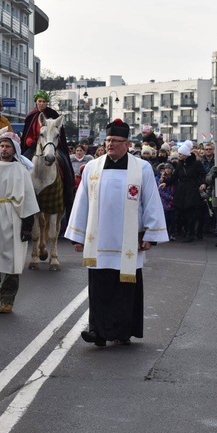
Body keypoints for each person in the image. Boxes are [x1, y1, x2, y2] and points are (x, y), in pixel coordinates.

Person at [65, 119, 168, 347]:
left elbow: (151, 201)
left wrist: (151, 234)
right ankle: (98, 331)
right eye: (108, 140)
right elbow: (82, 202)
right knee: (99, 287)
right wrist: (77, 235)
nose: (110, 144)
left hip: (129, 241)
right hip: (98, 240)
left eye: (116, 141)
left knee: (124, 289)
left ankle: (122, 331)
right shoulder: (93, 167)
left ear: (127, 144)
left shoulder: (141, 168)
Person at [0, 132, 39, 314]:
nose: (4, 149)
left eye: (8, 146)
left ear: (15, 149)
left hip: (12, 216)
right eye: (2, 146)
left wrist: (27, 226)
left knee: (12, 259)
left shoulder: (21, 170)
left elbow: (28, 198)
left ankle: (8, 298)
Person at [20, 90, 74, 212]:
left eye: (44, 102)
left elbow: (58, 134)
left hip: (52, 145)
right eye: (39, 101)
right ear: (36, 102)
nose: (42, 104)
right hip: (35, 146)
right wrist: (29, 142)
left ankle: (69, 193)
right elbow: (27, 134)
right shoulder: (31, 116)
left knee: (65, 162)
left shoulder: (53, 114)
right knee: (22, 161)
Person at [162, 141, 204, 242]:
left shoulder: (196, 163)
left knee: (191, 213)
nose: (179, 156)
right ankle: (185, 231)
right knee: (182, 212)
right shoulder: (180, 165)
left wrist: (203, 184)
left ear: (185, 154)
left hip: (192, 189)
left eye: (181, 154)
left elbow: (203, 174)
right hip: (181, 190)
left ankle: (190, 233)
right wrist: (166, 183)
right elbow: (175, 176)